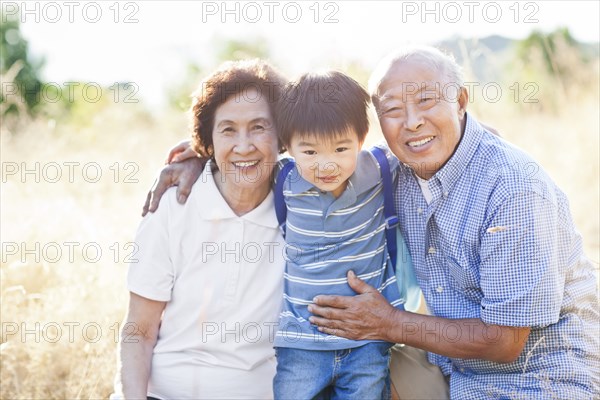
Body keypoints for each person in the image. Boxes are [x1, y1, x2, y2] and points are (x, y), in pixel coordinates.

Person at [305, 46, 600, 398]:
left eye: (427, 101)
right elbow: (317, 167)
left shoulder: (515, 189)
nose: (412, 121)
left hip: (540, 378)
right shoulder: (395, 169)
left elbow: (504, 341)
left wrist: (388, 323)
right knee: (326, 370)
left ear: (460, 101)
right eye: (393, 110)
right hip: (447, 365)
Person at [113, 59, 288, 399]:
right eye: (228, 130)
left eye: (258, 127)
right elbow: (139, 331)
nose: (244, 145)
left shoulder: (301, 203)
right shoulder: (171, 205)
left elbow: (344, 150)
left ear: (282, 134)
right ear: (206, 140)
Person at [271, 71, 404, 399]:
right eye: (310, 152)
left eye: (341, 149)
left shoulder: (378, 169)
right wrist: (191, 152)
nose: (326, 165)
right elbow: (232, 159)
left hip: (368, 343)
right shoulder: (283, 179)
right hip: (301, 342)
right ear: (288, 146)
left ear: (361, 140)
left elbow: (430, 145)